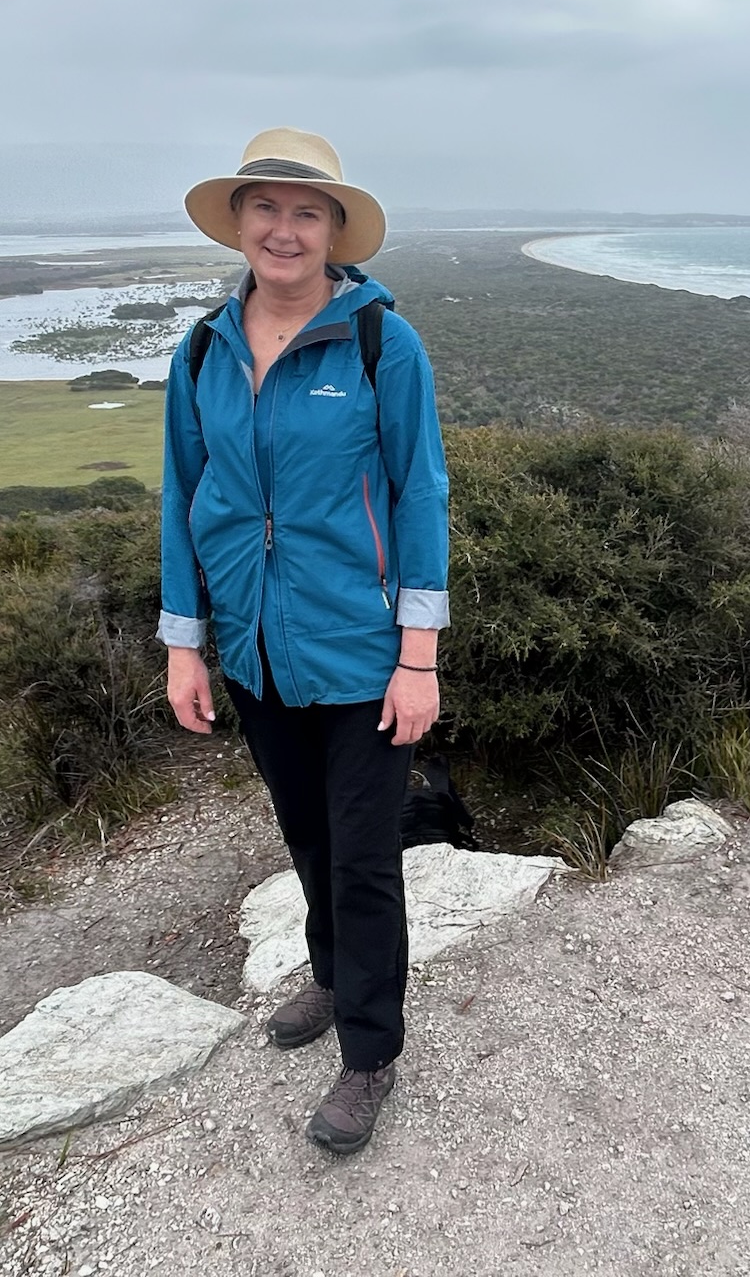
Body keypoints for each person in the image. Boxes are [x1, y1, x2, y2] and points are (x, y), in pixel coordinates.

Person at [157, 127, 451, 1154]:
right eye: (266, 208)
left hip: (365, 650)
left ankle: (369, 1054)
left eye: (307, 211)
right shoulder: (204, 348)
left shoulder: (379, 342)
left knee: (365, 856)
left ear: (333, 229)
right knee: (308, 838)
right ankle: (331, 979)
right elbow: (186, 498)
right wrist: (184, 643)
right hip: (256, 650)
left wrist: (419, 657)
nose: (285, 229)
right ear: (240, 222)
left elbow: (419, 492)